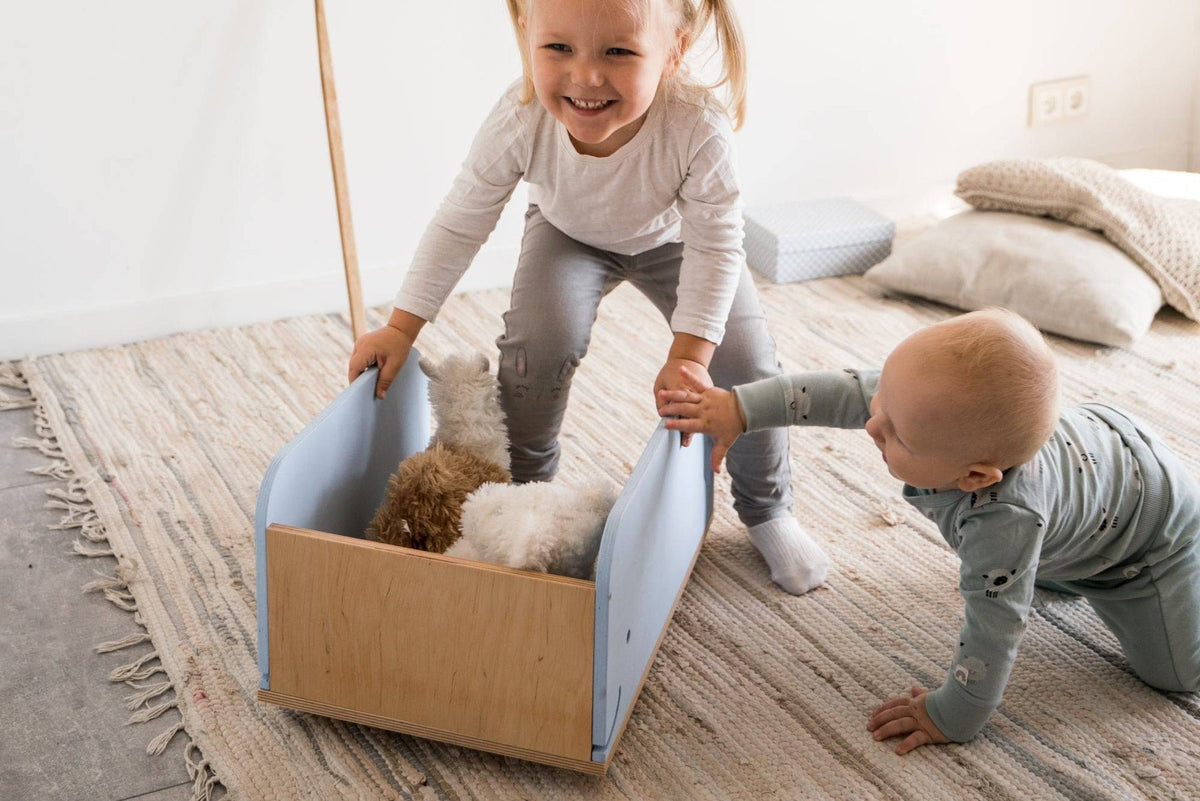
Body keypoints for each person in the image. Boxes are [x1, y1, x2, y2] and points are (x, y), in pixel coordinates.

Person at [347, 0, 831, 594]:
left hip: (678, 240)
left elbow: (716, 244)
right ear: (527, 35)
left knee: (749, 365)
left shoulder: (698, 125)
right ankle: (525, 497)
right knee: (536, 349)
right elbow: (461, 219)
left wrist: (690, 353)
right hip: (566, 234)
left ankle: (768, 509)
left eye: (618, 52)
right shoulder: (521, 115)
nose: (586, 77)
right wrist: (401, 327)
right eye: (558, 49)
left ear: (673, 52)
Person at [657, 307, 1200, 753]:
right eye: (881, 405)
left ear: (974, 477)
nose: (871, 423)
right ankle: (1063, 561)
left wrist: (953, 716)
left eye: (895, 436)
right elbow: (838, 393)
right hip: (1104, 464)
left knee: (1175, 672)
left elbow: (995, 631)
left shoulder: (1003, 522)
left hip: (1148, 545)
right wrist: (739, 408)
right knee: (1026, 566)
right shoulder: (912, 400)